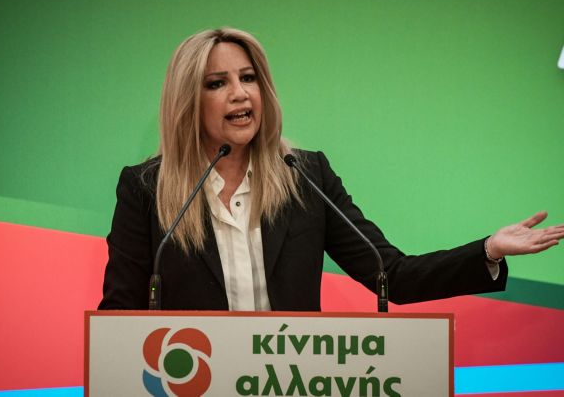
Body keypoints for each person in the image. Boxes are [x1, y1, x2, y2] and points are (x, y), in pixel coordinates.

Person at [98, 28, 564, 311]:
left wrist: (488, 249)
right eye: (217, 83)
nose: (240, 93)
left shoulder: (305, 177)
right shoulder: (146, 188)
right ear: (187, 101)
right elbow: (120, 310)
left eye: (249, 78)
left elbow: (391, 274)